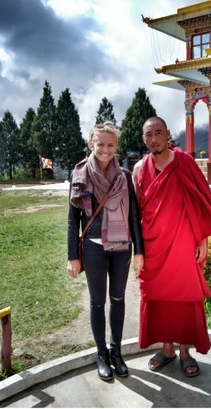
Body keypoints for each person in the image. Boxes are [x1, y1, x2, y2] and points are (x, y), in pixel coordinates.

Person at [132, 116, 211, 378]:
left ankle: (185, 352)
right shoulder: (139, 169)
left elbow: (202, 201)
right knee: (158, 297)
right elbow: (135, 213)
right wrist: (137, 250)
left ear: (168, 134)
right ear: (143, 139)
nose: (153, 139)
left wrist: (202, 239)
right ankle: (167, 348)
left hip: (183, 242)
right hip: (153, 246)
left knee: (185, 298)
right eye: (148, 135)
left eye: (158, 133)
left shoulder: (184, 162)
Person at [67, 121, 144, 381]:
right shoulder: (79, 174)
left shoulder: (124, 176)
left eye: (111, 145)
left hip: (122, 248)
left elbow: (135, 215)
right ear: (92, 143)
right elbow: (72, 219)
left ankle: (116, 353)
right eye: (100, 144)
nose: (105, 149)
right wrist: (72, 256)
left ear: (116, 146)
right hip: (93, 248)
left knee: (119, 300)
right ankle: (101, 355)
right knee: (97, 302)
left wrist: (139, 251)